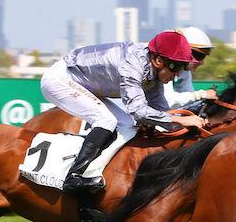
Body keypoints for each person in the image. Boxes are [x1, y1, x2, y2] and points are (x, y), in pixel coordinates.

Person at [40, 30, 205, 194]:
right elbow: (139, 112)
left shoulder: (154, 73)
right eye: (175, 68)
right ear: (158, 60)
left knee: (127, 125)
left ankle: (94, 171)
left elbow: (162, 113)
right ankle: (74, 176)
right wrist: (181, 120)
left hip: (87, 85)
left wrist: (189, 126)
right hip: (61, 79)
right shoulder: (132, 65)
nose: (176, 75)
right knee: (106, 120)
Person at [163, 26, 219, 108]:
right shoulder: (163, 67)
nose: (202, 62)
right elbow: (167, 102)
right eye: (199, 56)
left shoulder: (185, 71)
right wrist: (202, 94)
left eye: (203, 57)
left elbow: (189, 104)